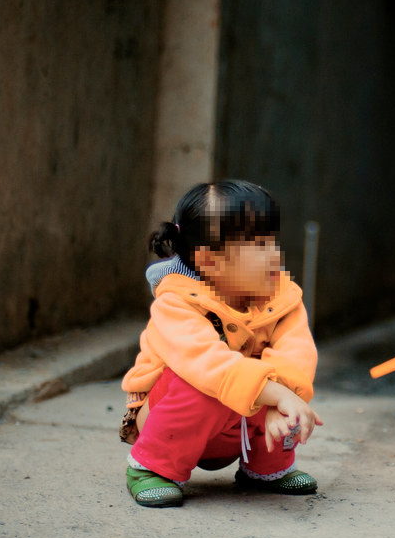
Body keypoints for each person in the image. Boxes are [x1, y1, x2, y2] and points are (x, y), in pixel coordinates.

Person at [119, 180, 322, 508]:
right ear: (210, 261)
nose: (274, 254)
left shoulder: (283, 298)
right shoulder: (176, 302)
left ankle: (267, 468)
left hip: (241, 421)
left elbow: (297, 354)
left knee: (289, 384)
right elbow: (206, 363)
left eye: (273, 241)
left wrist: (282, 400)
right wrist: (275, 393)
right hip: (170, 418)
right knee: (203, 382)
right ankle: (152, 468)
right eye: (258, 245)